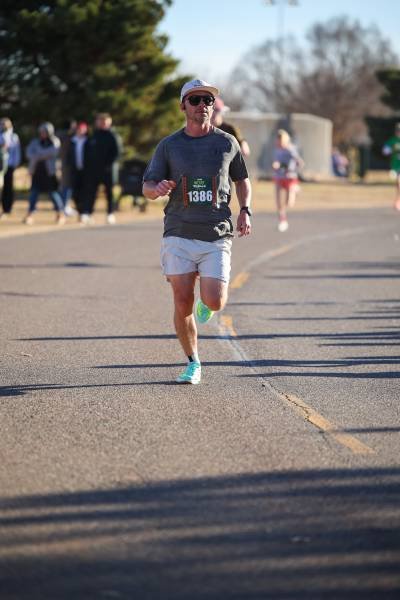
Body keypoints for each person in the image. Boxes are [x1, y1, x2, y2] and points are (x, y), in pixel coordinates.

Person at [143, 78, 252, 385]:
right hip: (178, 231)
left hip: (216, 234)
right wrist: (157, 189)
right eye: (195, 100)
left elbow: (242, 179)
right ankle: (193, 361)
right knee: (181, 301)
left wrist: (245, 209)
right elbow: (147, 186)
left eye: (207, 100)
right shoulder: (169, 145)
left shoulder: (226, 143)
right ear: (183, 106)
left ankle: (207, 301)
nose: (202, 105)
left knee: (215, 301)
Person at [81, 113, 120, 224]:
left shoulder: (113, 136)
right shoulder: (93, 136)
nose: (102, 123)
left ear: (109, 122)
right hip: (93, 171)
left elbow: (116, 154)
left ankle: (110, 213)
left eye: (104, 121)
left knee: (109, 193)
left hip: (108, 171)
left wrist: (108, 165)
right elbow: (86, 153)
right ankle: (88, 213)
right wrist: (88, 167)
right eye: (100, 121)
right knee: (91, 192)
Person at [24, 122, 65, 225]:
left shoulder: (54, 141)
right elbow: (28, 153)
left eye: (45, 132)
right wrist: (40, 155)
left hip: (50, 173)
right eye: (41, 131)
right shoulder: (35, 142)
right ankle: (29, 214)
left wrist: (37, 155)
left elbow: (52, 152)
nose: (43, 133)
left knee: (53, 194)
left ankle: (60, 214)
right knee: (33, 194)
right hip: (37, 172)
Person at [272, 128, 304, 232]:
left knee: (289, 203)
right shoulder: (277, 150)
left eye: (280, 140)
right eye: (278, 140)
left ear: (285, 140)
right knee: (278, 202)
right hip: (279, 177)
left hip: (290, 177)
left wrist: (297, 165)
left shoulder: (290, 149)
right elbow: (276, 162)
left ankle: (296, 189)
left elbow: (299, 161)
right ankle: (282, 221)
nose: (279, 142)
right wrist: (276, 165)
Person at [0, 118, 21, 219]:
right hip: (0, 165)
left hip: (9, 165)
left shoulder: (14, 137)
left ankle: (7, 208)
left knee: (8, 187)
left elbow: (17, 151)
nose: (3, 126)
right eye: (2, 124)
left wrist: (16, 163)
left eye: (5, 124)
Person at [67, 121, 89, 216]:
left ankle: (84, 212)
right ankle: (79, 210)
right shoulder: (72, 141)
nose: (80, 131)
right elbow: (68, 156)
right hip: (75, 170)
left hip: (86, 171)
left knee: (85, 192)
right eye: (79, 129)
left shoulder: (88, 141)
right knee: (75, 192)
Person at [57, 119, 78, 216]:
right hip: (66, 164)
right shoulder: (68, 137)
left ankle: (63, 205)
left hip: (60, 163)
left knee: (63, 186)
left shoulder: (58, 135)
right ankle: (64, 206)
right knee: (66, 186)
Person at [382, 123, 400, 211]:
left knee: (399, 183)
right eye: (398, 130)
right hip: (395, 166)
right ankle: (398, 200)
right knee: (397, 184)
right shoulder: (393, 140)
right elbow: (385, 151)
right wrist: (391, 149)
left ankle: (397, 201)